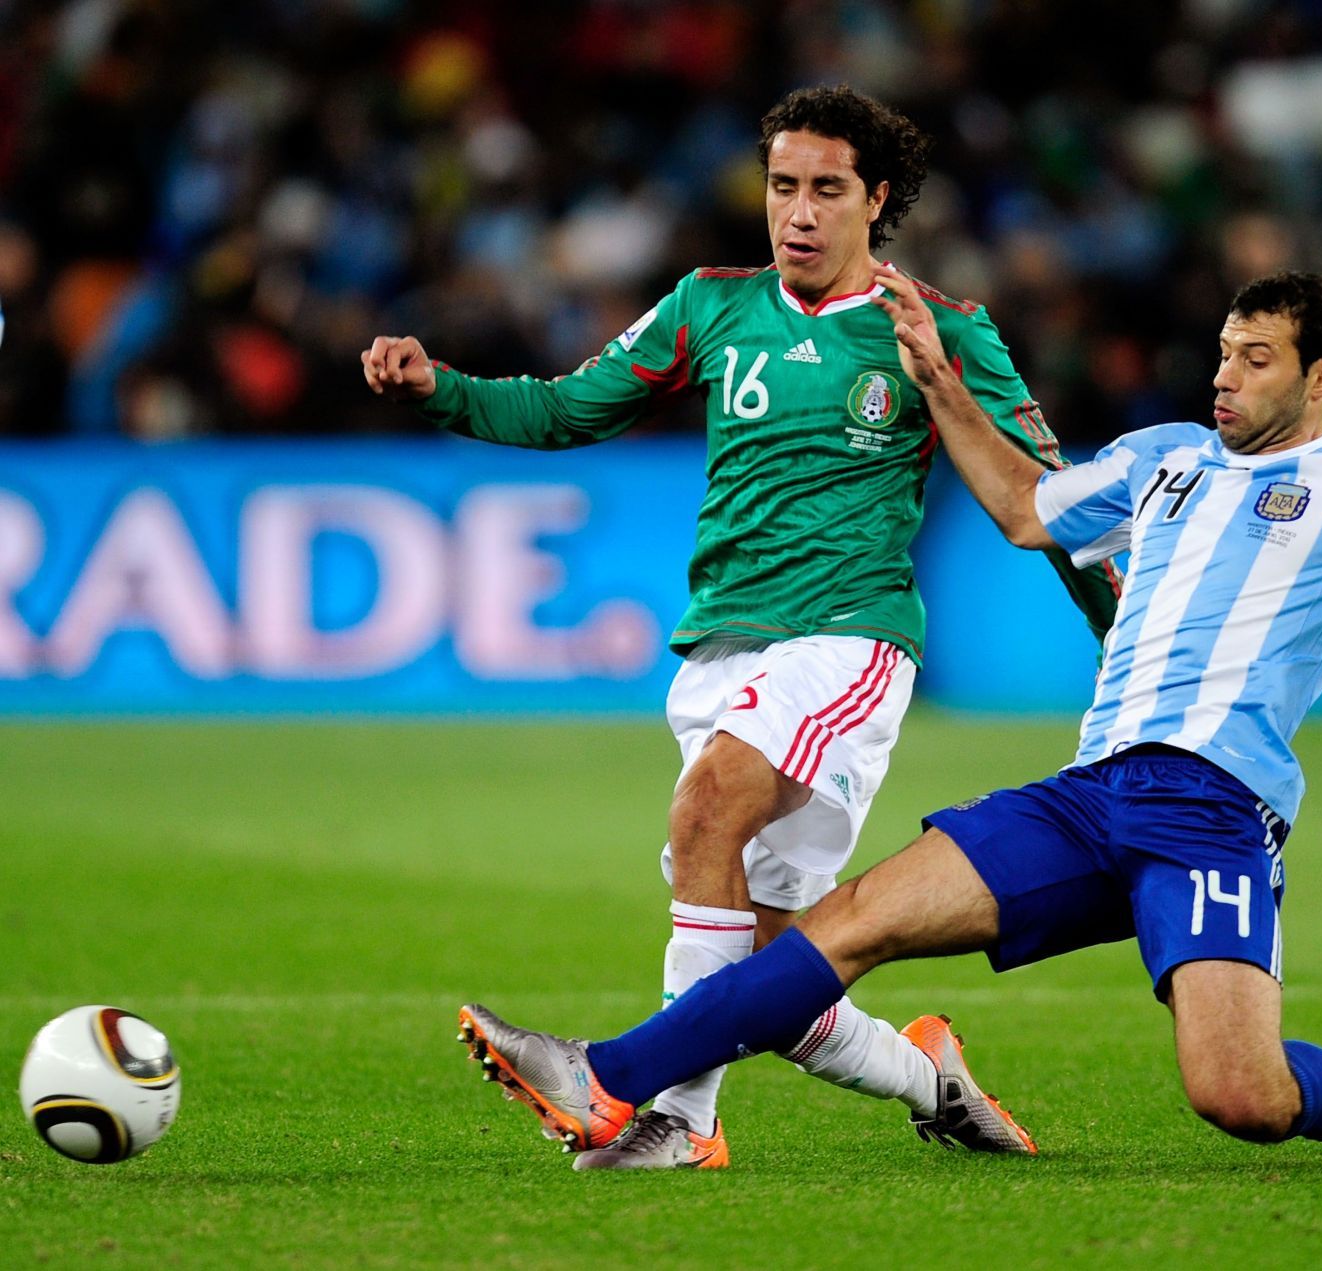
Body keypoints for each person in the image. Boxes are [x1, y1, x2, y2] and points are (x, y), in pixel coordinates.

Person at [453, 270, 1322, 1165]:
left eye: (1255, 357)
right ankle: (612, 1078)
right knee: (849, 920)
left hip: (1209, 805)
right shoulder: (1160, 459)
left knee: (1238, 1095)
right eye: (1220, 351)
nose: (1223, 373)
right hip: (1088, 790)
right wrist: (944, 387)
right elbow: (1019, 509)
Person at [363, 86, 1120, 1169]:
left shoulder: (941, 330)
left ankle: (676, 1117)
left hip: (849, 637)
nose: (797, 213)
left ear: (878, 199)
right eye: (781, 187)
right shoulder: (710, 307)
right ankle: (930, 1077)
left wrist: (1126, 648)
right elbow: (568, 408)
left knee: (706, 807)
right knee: (774, 967)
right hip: (720, 642)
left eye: (825, 190)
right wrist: (442, 388)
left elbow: (1053, 504)